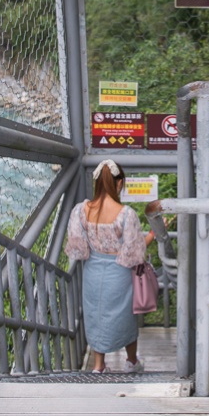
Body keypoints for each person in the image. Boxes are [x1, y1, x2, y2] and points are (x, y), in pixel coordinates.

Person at [64, 159, 155, 373]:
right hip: (119, 274)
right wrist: (151, 234)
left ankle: (98, 365)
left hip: (93, 272)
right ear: (119, 183)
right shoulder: (126, 214)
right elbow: (133, 252)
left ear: (96, 182)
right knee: (124, 316)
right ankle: (131, 362)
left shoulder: (81, 210)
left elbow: (78, 247)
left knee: (96, 315)